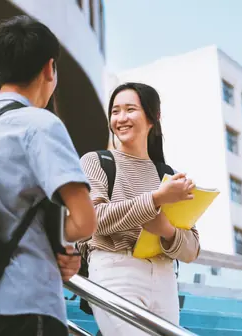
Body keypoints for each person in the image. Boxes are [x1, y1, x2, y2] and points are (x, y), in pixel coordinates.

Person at [0, 16, 97, 336]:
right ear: (50, 68)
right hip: (28, 303)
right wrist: (55, 242)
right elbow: (84, 221)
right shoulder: (40, 124)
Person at [80, 82, 201, 335]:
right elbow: (92, 219)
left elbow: (191, 251)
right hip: (115, 269)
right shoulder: (96, 162)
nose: (121, 118)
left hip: (165, 277)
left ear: (153, 117)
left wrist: (166, 230)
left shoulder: (169, 176)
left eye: (130, 109)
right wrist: (155, 200)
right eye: (115, 111)